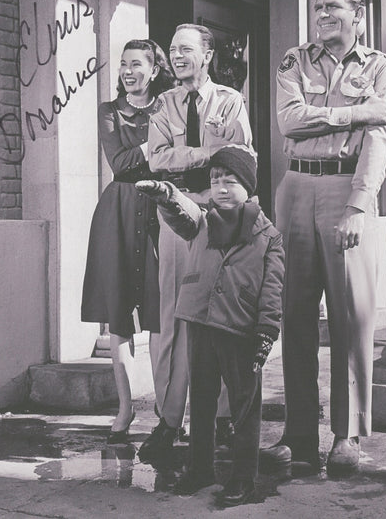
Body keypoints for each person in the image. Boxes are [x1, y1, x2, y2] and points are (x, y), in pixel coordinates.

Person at [265, 0, 386, 476]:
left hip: (346, 188)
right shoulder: (293, 60)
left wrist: (358, 206)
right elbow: (289, 120)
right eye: (318, 6)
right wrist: (357, 111)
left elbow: (379, 141)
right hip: (296, 189)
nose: (322, 14)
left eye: (333, 7)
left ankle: (347, 437)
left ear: (358, 16)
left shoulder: (380, 67)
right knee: (294, 314)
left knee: (350, 316)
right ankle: (299, 434)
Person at [136, 145, 284, 506]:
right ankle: (199, 467)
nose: (220, 188)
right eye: (215, 181)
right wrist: (167, 195)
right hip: (200, 322)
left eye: (230, 182)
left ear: (247, 187)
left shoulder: (268, 236)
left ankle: (243, 477)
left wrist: (266, 332)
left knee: (244, 406)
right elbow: (181, 213)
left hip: (241, 329)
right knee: (200, 400)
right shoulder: (203, 221)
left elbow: (273, 289)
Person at [139, 24, 253, 459]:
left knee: (221, 310)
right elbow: (157, 158)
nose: (177, 56)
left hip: (218, 211)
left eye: (186, 49)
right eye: (172, 50)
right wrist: (207, 152)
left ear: (207, 55)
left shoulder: (230, 100)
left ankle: (223, 418)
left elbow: (242, 156)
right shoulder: (164, 103)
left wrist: (198, 154)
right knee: (172, 315)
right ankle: (169, 420)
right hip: (174, 207)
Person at [81, 38, 175, 444]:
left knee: (159, 313)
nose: (127, 71)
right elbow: (118, 163)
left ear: (155, 70)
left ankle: (167, 409)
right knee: (118, 315)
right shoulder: (108, 111)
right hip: (117, 212)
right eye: (123, 65)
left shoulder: (169, 105)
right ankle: (124, 407)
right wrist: (160, 144)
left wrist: (165, 147)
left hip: (159, 209)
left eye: (136, 64)